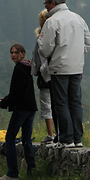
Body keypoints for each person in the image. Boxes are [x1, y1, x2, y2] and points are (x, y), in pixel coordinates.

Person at [38, 0, 90, 149]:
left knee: (61, 103)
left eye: (46, 3)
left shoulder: (52, 21)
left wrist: (53, 56)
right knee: (75, 102)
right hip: (76, 67)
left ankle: (66, 139)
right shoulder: (78, 18)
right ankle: (77, 138)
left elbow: (45, 48)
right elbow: (88, 43)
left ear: (53, 3)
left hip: (58, 68)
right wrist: (77, 56)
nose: (46, 7)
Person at [0, 44, 37, 180]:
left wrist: (3, 103)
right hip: (30, 107)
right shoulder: (28, 67)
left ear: (23, 53)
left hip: (21, 108)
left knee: (10, 138)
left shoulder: (19, 69)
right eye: (11, 52)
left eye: (16, 52)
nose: (13, 55)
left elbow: (16, 93)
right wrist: (6, 100)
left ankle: (12, 173)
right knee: (26, 139)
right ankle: (32, 171)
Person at [31, 9, 55, 144]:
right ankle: (58, 133)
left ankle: (51, 134)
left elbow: (42, 57)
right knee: (57, 104)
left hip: (46, 75)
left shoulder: (42, 37)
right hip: (57, 74)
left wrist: (41, 69)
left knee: (47, 105)